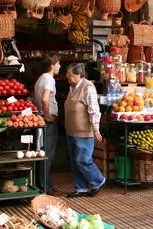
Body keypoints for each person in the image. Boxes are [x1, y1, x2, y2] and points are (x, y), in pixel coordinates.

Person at [64, 63, 106, 198]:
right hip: (71, 131)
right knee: (74, 161)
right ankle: (81, 188)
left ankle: (98, 180)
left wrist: (96, 129)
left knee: (83, 159)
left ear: (78, 74)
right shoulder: (72, 88)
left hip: (83, 132)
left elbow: (94, 109)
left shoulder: (88, 87)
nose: (67, 76)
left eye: (69, 74)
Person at [34, 53, 62, 196]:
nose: (59, 66)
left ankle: (44, 184)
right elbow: (45, 99)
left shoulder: (40, 78)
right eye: (57, 63)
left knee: (43, 153)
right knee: (48, 155)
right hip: (47, 122)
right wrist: (47, 115)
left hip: (40, 119)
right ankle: (45, 186)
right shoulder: (49, 79)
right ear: (52, 65)